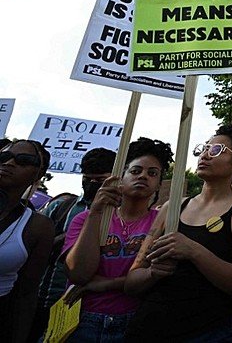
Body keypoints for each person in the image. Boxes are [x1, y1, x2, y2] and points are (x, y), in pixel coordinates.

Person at [123, 125, 232, 342]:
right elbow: (132, 281)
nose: (205, 155)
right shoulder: (172, 207)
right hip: (148, 328)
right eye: (204, 148)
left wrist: (193, 251)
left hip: (206, 332)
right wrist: (152, 273)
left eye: (216, 150)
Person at [62, 138, 172, 342]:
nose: (143, 176)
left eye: (152, 173)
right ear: (121, 177)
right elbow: (79, 273)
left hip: (135, 320)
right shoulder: (85, 219)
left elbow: (157, 274)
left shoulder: (163, 223)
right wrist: (95, 213)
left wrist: (105, 284)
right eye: (135, 171)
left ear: (158, 184)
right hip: (82, 318)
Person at [29, 147, 115, 342]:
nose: (92, 184)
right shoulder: (61, 207)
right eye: (87, 179)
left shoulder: (119, 216)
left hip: (82, 309)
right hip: (38, 297)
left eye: (100, 180)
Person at [0, 139, 55, 342]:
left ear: (38, 174)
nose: (9, 163)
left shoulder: (38, 227)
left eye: (23, 160)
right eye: (4, 157)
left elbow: (26, 294)